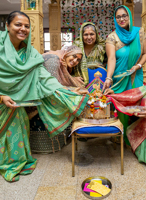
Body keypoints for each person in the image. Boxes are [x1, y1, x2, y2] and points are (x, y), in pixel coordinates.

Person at [0, 11, 89, 182]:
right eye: (18, 24)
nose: (23, 29)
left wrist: (69, 94)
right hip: (3, 100)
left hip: (18, 103)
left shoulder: (30, 53)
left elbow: (45, 79)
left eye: (27, 26)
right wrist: (2, 96)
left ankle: (16, 162)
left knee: (17, 133)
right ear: (7, 26)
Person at [102, 5, 146, 145]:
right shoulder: (112, 37)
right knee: (121, 107)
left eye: (124, 15)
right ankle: (121, 137)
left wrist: (138, 65)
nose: (121, 19)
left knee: (136, 105)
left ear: (129, 16)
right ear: (115, 20)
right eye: (118, 17)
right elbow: (111, 59)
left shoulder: (139, 32)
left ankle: (136, 136)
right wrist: (108, 78)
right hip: (119, 77)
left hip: (136, 75)